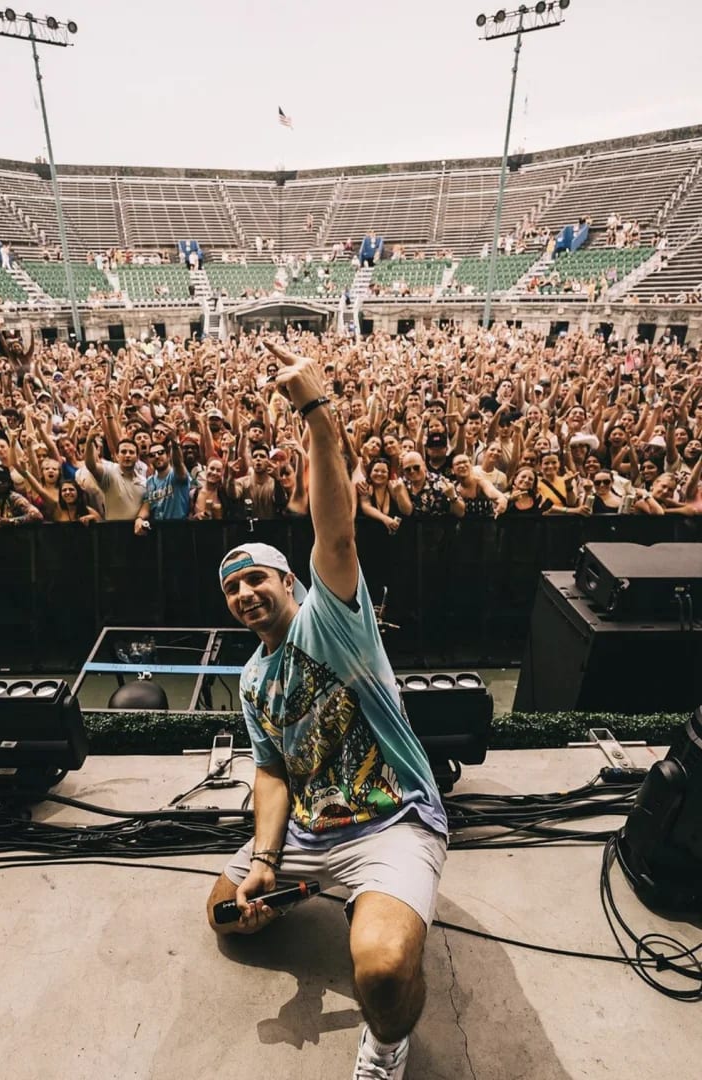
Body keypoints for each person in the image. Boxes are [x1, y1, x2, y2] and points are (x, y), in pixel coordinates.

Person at [206, 339, 447, 1080]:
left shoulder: (333, 618)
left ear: (289, 581)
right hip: (309, 831)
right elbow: (272, 772)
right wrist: (266, 862)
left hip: (391, 818)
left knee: (382, 971)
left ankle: (387, 1047)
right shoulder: (252, 679)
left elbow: (336, 530)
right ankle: (306, 890)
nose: (244, 594)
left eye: (256, 579)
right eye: (231, 589)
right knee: (223, 915)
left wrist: (316, 412)